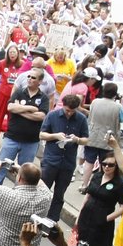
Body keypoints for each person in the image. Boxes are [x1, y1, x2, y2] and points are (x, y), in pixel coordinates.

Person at [0, 68, 48, 186]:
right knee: (2, 165)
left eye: (33, 78)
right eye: (29, 77)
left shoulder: (43, 98)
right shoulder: (19, 92)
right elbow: (10, 107)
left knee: (24, 171)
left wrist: (19, 110)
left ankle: (19, 194)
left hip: (30, 142)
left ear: (40, 81)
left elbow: (41, 116)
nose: (30, 79)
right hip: (12, 137)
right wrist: (31, 109)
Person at [38, 94, 90, 222]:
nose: (70, 113)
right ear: (63, 106)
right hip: (51, 160)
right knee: (42, 190)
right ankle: (37, 216)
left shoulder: (81, 119)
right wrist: (56, 136)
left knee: (59, 194)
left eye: (73, 111)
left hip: (67, 162)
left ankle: (52, 220)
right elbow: (41, 134)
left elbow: (86, 140)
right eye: (67, 110)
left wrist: (76, 139)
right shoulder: (52, 115)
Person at [79, 82, 123, 191]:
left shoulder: (95, 102)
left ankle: (84, 185)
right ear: (115, 94)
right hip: (108, 138)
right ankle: (99, 185)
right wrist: (121, 102)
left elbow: (90, 115)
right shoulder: (118, 106)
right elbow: (122, 119)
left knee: (89, 162)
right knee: (104, 163)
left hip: (92, 135)